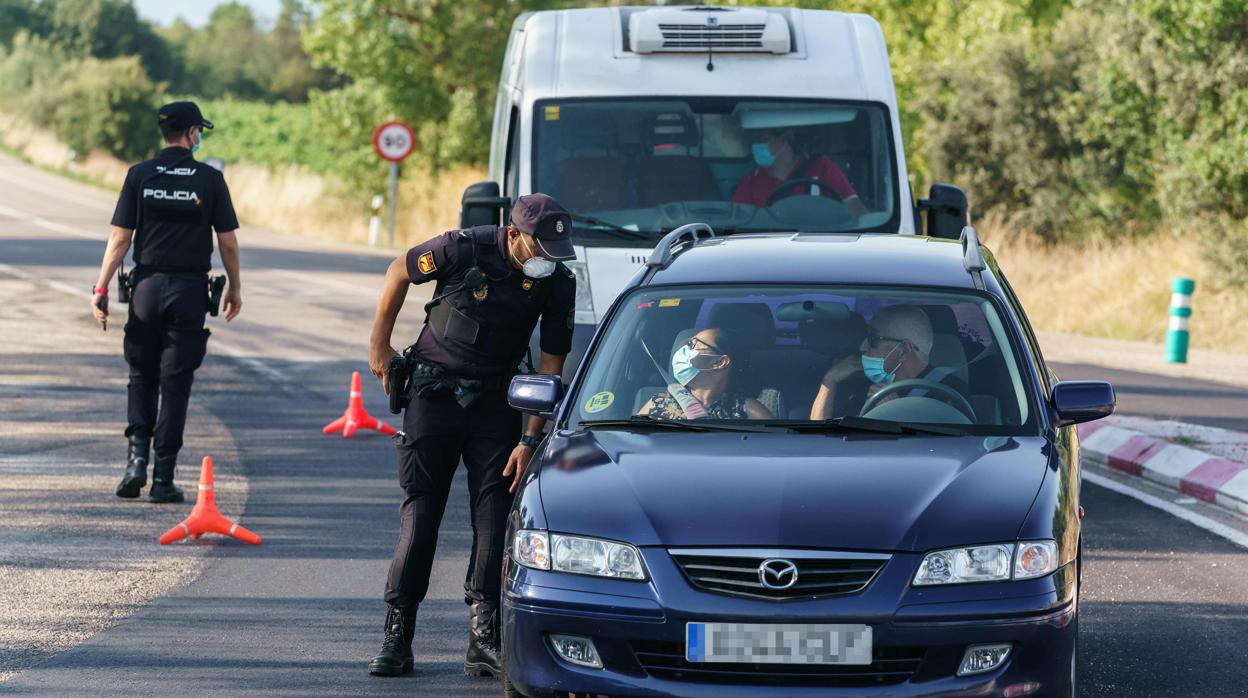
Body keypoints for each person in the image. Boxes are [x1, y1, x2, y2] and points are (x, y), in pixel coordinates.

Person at [366, 193, 577, 679]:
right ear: (515, 234)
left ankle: (484, 637)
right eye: (541, 247)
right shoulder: (462, 248)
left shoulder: (558, 282)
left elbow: (550, 364)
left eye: (556, 251)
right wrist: (379, 344)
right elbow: (399, 269)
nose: (549, 258)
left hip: (495, 403)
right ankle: (398, 634)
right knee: (421, 514)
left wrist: (529, 439)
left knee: (495, 518)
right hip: (434, 396)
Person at [91, 101, 242, 503]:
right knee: (176, 383)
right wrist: (235, 287)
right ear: (192, 133)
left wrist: (101, 288)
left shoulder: (139, 175)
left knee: (141, 376)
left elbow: (120, 238)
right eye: (200, 131)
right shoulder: (210, 179)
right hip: (189, 291)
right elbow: (226, 240)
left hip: (146, 289)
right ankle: (163, 478)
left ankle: (135, 461)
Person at [809, 305, 968, 420]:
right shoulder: (868, 387)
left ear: (904, 350)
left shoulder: (951, 394)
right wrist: (829, 381)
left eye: (873, 339)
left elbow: (950, 453)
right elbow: (820, 442)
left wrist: (898, 413)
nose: (862, 347)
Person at [637, 328, 773, 420]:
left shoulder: (749, 410)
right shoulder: (660, 402)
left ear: (720, 362)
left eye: (693, 344)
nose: (683, 349)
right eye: (688, 343)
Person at [732, 128, 868, 217]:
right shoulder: (751, 181)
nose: (756, 146)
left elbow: (854, 208)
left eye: (763, 139)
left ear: (783, 140)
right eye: (753, 141)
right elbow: (738, 222)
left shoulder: (822, 167)